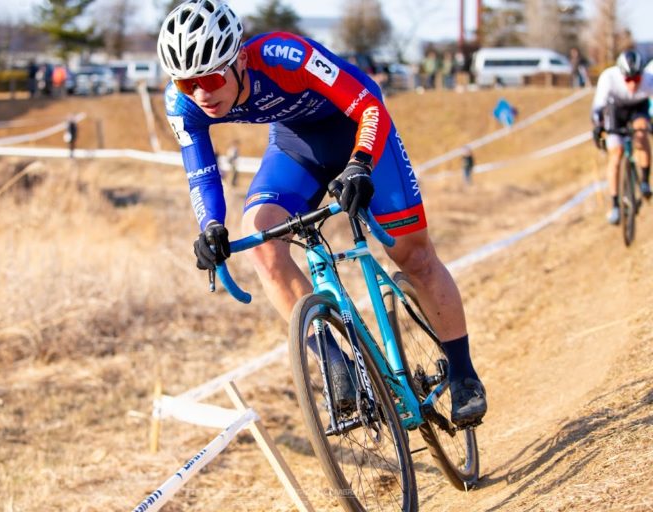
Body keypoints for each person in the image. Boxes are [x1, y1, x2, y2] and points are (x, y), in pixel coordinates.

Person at [157, 0, 487, 426]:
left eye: (211, 78)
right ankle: (337, 364)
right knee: (260, 238)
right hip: (296, 148)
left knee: (414, 256)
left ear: (239, 60)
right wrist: (211, 227)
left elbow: (369, 104)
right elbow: (201, 174)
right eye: (187, 83)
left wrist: (361, 163)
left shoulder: (283, 55)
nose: (201, 93)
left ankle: (463, 374)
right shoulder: (183, 105)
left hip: (361, 132)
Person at [592, 49, 653, 225]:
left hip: (638, 108)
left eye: (637, 79)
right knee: (616, 153)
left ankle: (644, 181)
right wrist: (598, 127)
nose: (633, 84)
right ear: (621, 76)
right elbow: (598, 107)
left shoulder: (649, 79)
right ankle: (615, 205)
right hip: (615, 110)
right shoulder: (609, 78)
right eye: (628, 79)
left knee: (641, 133)